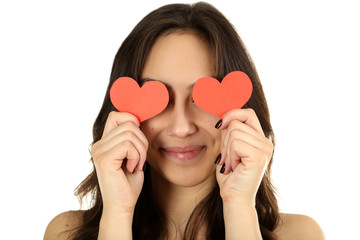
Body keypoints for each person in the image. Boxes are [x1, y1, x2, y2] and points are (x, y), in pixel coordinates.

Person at [44, 2, 325, 240]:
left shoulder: (301, 234)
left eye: (201, 99)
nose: (181, 127)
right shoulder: (66, 232)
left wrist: (239, 208)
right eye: (159, 98)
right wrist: (117, 214)